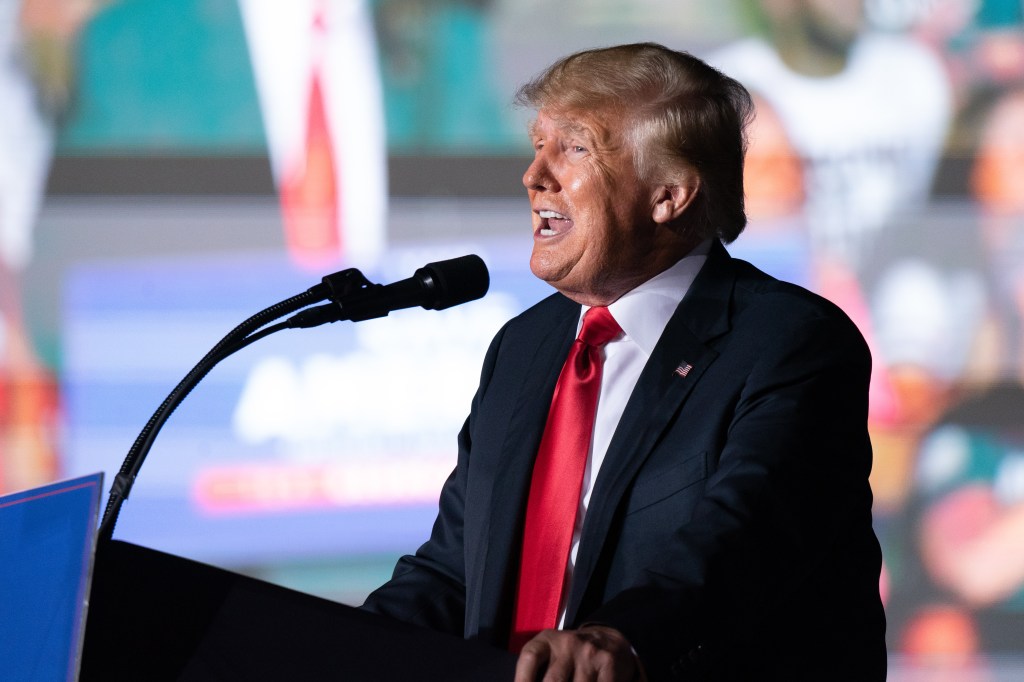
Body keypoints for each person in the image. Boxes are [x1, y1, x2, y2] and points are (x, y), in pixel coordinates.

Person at [362, 43, 885, 681]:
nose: (535, 176)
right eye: (538, 145)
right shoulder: (522, 348)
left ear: (669, 195)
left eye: (575, 148)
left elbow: (743, 540)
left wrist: (625, 638)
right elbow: (453, 570)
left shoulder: (789, 341)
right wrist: (330, 645)